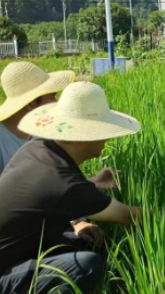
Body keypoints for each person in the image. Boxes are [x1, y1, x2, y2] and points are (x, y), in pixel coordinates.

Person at [0, 81, 143, 294]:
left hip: (17, 250)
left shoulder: (37, 149)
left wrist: (93, 184)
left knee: (87, 242)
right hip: (4, 273)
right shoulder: (63, 182)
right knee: (85, 265)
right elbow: (127, 215)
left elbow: (52, 192)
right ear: (85, 137)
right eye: (103, 130)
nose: (108, 137)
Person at [0, 61, 117, 190]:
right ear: (31, 104)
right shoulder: (2, 142)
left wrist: (92, 184)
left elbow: (47, 188)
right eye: (52, 97)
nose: (57, 103)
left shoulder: (42, 134)